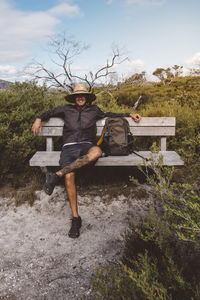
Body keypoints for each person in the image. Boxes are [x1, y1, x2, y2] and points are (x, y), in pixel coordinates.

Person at [32, 83, 141, 238]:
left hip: (87, 146)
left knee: (97, 152)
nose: (80, 97)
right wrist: (38, 119)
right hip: (69, 147)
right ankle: (76, 219)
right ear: (74, 97)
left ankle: (56, 175)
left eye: (83, 95)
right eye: (78, 95)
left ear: (87, 97)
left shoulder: (94, 110)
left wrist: (129, 114)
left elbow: (110, 114)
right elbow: (49, 112)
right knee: (69, 176)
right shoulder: (65, 109)